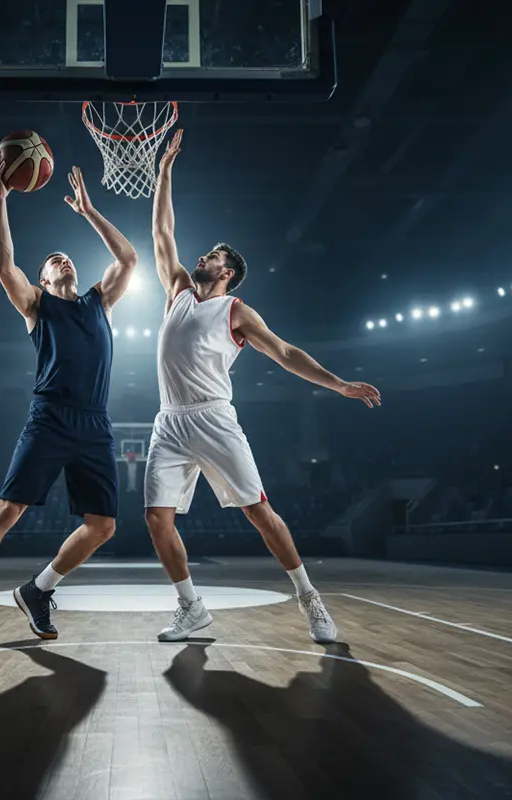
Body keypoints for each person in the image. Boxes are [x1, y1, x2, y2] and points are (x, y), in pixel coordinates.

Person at [144, 130, 382, 644]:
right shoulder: (179, 293)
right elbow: (162, 233)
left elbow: (286, 352)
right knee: (157, 519)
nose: (201, 257)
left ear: (226, 271)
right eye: (202, 254)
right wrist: (163, 171)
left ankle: (308, 597)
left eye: (210, 256)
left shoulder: (236, 310)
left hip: (212, 416)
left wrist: (337, 384)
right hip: (169, 421)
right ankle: (192, 608)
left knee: (259, 512)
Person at [0, 153, 138, 656]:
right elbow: (3, 263)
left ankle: (38, 590)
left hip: (94, 424)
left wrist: (89, 211)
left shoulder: (98, 302)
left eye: (66, 257)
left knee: (103, 526)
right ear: (42, 280)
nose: (62, 258)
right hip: (50, 417)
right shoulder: (36, 307)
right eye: (52, 260)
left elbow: (128, 259)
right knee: (6, 511)